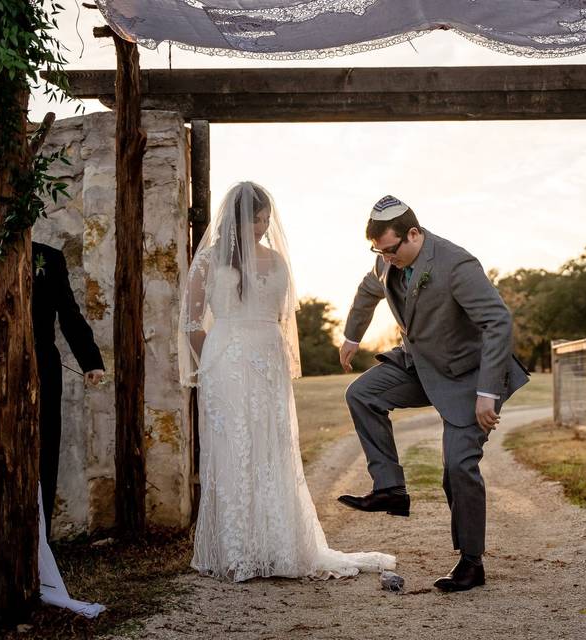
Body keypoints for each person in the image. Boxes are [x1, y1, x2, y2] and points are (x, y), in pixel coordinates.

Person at [178, 181, 395, 582]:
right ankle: (237, 549)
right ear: (238, 219)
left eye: (266, 219)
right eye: (256, 219)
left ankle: (276, 544)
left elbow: (280, 318)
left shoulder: (276, 261)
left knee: (271, 447)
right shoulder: (208, 261)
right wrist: (214, 363)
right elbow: (192, 324)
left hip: (267, 361)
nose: (262, 226)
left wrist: (264, 354)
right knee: (233, 449)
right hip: (224, 362)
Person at [338, 195, 529, 592]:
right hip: (420, 366)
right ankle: (390, 489)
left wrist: (487, 393)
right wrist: (352, 335)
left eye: (392, 250)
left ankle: (470, 563)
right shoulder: (387, 259)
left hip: (469, 376)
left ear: (414, 234)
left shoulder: (457, 265)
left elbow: (498, 322)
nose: (386, 259)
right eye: (379, 251)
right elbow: (367, 290)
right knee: (362, 394)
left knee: (458, 466)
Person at [0, 184, 105, 539]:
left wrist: (90, 360)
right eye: (3, 219)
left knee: (43, 450)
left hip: (42, 367)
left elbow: (69, 313)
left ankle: (41, 540)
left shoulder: (49, 258)